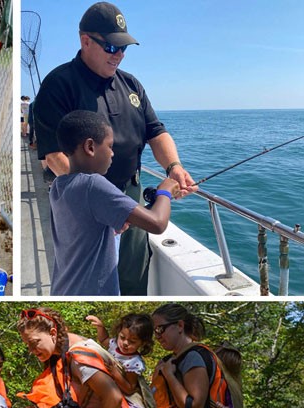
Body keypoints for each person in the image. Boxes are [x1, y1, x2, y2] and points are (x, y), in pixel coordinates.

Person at [33, 1, 196, 295]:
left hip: (130, 192)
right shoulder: (58, 84)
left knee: (132, 273)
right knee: (88, 275)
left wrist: (174, 168)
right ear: (85, 41)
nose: (119, 55)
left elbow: (155, 132)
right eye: (111, 47)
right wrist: (98, 199)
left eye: (124, 48)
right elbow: (53, 156)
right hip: (86, 202)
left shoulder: (132, 85)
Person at [50, 110, 179, 296]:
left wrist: (115, 224)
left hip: (64, 288)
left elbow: (85, 223)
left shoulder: (59, 185)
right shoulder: (92, 184)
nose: (112, 154)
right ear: (90, 147)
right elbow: (157, 223)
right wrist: (166, 191)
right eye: (110, 146)